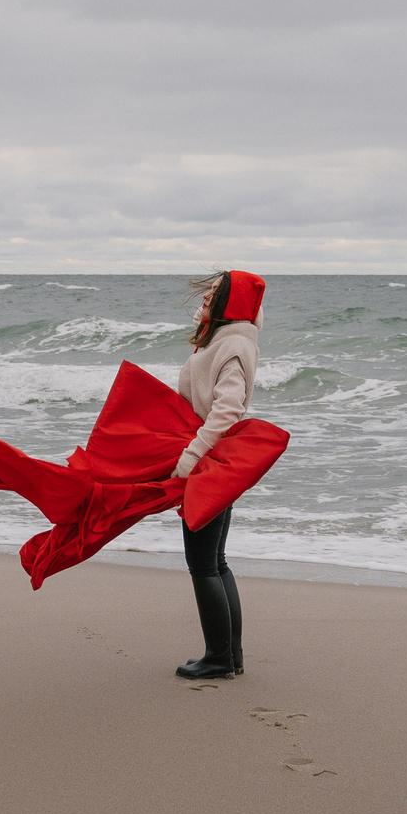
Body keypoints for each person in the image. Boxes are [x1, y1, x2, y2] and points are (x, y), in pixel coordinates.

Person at [173, 269, 264, 679]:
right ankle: (231, 655)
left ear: (231, 302)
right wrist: (207, 314)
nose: (205, 300)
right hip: (215, 460)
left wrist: (191, 456)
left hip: (211, 463)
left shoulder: (234, 346)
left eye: (213, 294)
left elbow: (229, 409)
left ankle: (218, 658)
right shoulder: (223, 339)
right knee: (216, 561)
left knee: (203, 564)